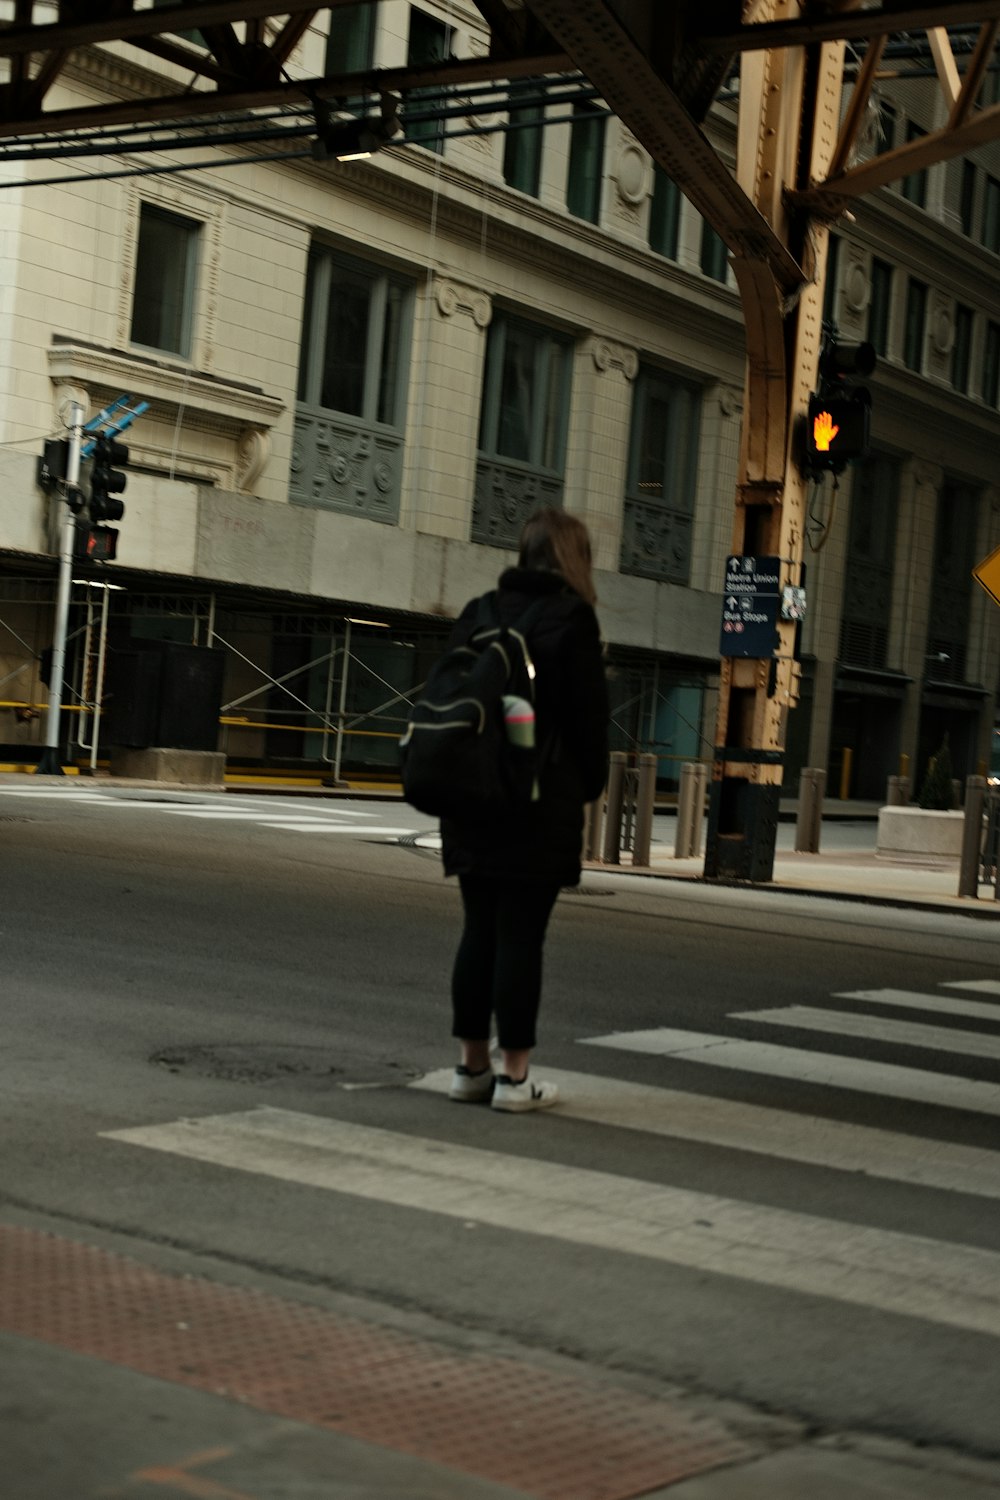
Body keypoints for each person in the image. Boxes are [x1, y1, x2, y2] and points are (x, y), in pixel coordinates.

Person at [440, 507, 609, 1113]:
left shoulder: (478, 612)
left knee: (478, 930)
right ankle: (515, 1079)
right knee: (520, 937)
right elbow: (591, 727)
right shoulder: (573, 620)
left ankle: (470, 1069)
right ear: (573, 558)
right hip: (538, 804)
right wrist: (584, 787)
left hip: (469, 796)